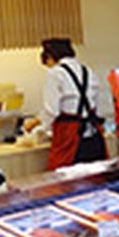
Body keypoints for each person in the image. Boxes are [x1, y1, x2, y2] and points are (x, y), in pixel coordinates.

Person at [24, 38, 107, 169]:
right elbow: (98, 107)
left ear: (50, 57)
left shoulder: (55, 73)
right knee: (94, 175)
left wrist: (36, 126)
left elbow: (52, 111)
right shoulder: (88, 71)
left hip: (69, 137)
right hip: (93, 135)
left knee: (63, 177)